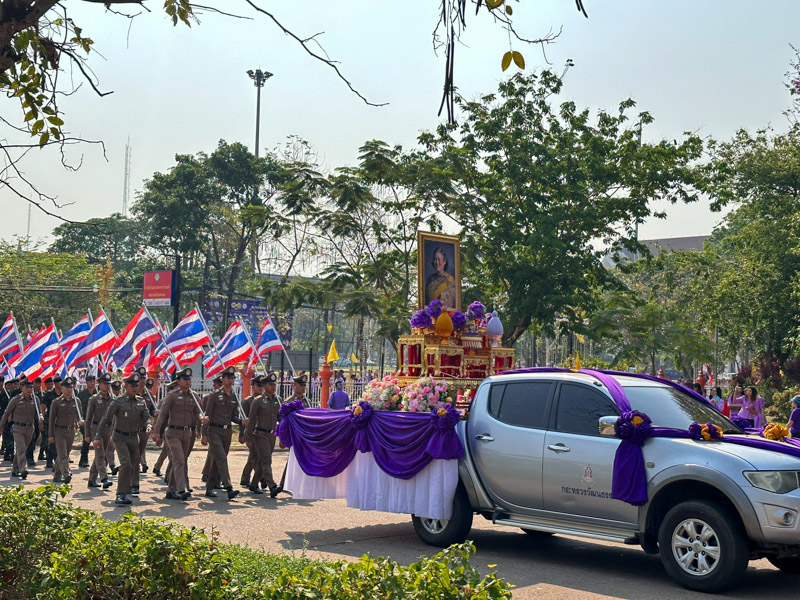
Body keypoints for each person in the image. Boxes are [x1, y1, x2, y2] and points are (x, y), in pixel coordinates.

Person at [94, 373, 150, 505]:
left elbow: (146, 417)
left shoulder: (140, 402)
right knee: (126, 463)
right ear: (125, 386)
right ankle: (120, 494)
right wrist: (97, 437)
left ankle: (131, 486)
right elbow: (106, 419)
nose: (135, 388)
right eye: (132, 385)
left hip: (133, 437)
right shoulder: (118, 401)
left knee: (135, 463)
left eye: (136, 385)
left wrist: (148, 425)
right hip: (119, 437)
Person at [153, 368, 200, 502]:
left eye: (189, 379)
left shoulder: (194, 396)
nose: (187, 382)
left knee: (180, 460)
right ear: (178, 381)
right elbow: (163, 414)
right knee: (179, 460)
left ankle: (171, 491)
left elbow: (197, 414)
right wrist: (157, 432)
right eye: (185, 379)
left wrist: (201, 425)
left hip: (187, 432)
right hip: (173, 432)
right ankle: (181, 489)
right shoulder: (172, 396)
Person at [202, 366, 246, 500]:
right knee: (221, 457)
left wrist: (241, 422)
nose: (230, 380)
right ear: (222, 379)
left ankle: (209, 487)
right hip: (214, 430)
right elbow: (207, 415)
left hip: (227, 432)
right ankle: (229, 487)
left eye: (232, 378)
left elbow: (233, 416)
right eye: (228, 378)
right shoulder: (214, 396)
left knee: (218, 460)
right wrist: (204, 434)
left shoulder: (234, 396)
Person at [245, 373, 282, 497]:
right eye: (270, 384)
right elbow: (252, 420)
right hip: (260, 434)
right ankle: (272, 486)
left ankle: (254, 484)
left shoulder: (278, 400)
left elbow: (281, 418)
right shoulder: (258, 401)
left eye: (274, 384)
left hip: (272, 435)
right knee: (267, 460)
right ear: (265, 386)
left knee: (263, 462)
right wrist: (248, 437)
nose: (273, 387)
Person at [0, 377, 43, 478]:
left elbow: (39, 412)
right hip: (18, 428)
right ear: (21, 387)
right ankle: (23, 468)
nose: (29, 389)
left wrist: (41, 417)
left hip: (30, 428)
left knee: (22, 449)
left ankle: (15, 469)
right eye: (27, 387)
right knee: (21, 448)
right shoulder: (16, 399)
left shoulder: (35, 399)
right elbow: (6, 413)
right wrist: (1, 426)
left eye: (31, 387)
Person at [48, 376, 84, 484]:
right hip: (59, 431)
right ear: (61, 388)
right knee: (62, 453)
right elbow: (51, 419)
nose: (69, 389)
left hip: (70, 431)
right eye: (67, 387)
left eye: (71, 387)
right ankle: (66, 473)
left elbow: (79, 415)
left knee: (65, 453)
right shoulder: (56, 402)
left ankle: (57, 475)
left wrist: (80, 422)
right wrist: (50, 435)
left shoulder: (76, 401)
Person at [84, 373, 115, 490]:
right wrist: (87, 434)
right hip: (96, 429)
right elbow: (88, 418)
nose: (107, 386)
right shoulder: (94, 399)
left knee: (102, 455)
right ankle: (104, 478)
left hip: (108, 429)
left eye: (108, 384)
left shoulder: (113, 400)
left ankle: (92, 479)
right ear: (100, 384)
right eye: (104, 384)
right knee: (100, 453)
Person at [239, 375, 263, 488]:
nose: (261, 388)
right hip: (251, 432)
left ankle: (245, 478)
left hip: (262, 432)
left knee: (254, 457)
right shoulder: (247, 402)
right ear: (252, 386)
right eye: (258, 385)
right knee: (256, 457)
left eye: (262, 385)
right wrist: (241, 434)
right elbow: (243, 420)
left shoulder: (264, 400)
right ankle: (262, 478)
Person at [200, 375, 222, 483]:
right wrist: (203, 433)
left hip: (223, 429)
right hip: (212, 428)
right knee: (214, 453)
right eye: (219, 384)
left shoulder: (228, 396)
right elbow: (205, 415)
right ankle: (211, 476)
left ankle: (208, 474)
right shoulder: (208, 398)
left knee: (213, 452)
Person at [77, 374, 97, 468]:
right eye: (90, 382)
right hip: (85, 421)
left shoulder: (98, 393)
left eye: (93, 381)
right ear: (87, 382)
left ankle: (86, 459)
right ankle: (84, 459)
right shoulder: (82, 395)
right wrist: (78, 420)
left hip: (95, 421)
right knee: (87, 439)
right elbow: (77, 408)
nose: (92, 383)